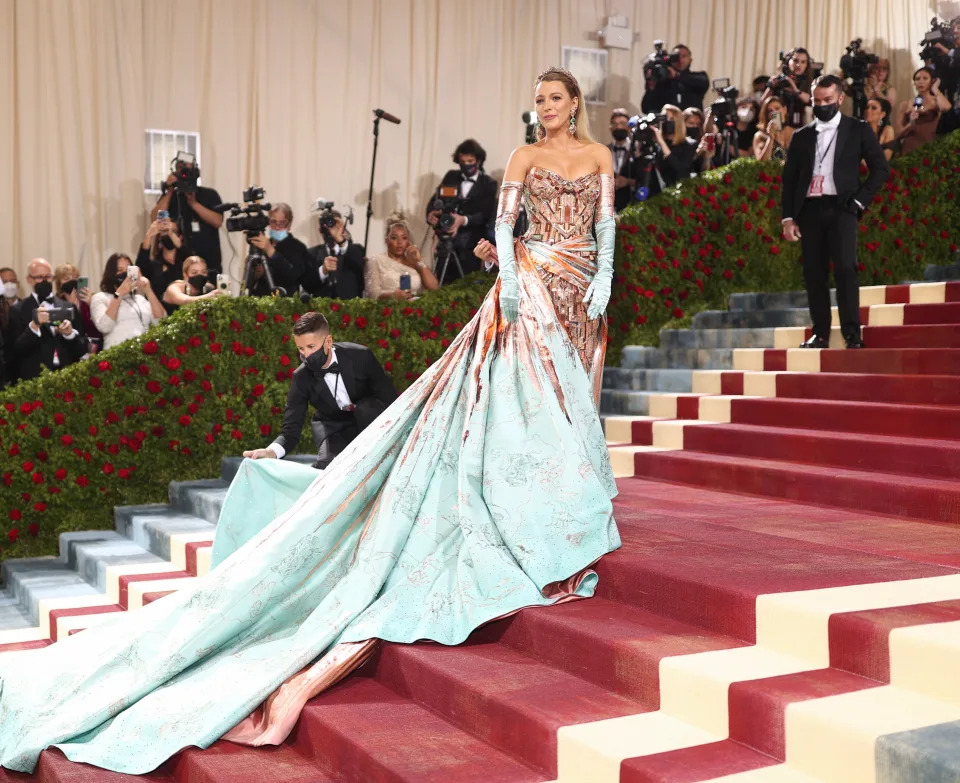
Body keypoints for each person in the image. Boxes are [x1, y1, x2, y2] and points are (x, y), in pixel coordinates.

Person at [0, 66, 619, 776]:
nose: (541, 108)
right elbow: (505, 229)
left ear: (574, 102)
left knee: (572, 395)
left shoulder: (598, 156)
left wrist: (601, 275)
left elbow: (605, 223)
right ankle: (533, 501)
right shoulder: (524, 157)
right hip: (533, 283)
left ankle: (565, 489)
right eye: (535, 98)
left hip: (581, 286)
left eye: (552, 98)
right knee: (524, 397)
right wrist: (510, 278)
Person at [781, 74, 890, 350]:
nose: (822, 105)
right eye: (817, 101)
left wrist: (859, 202)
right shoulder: (802, 135)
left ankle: (852, 333)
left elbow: (881, 169)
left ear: (840, 99)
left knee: (845, 269)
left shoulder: (858, 129)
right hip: (810, 210)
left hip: (843, 207)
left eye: (828, 100)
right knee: (814, 273)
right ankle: (820, 333)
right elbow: (790, 180)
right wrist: (788, 217)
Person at [242, 312, 397, 470]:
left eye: (311, 347)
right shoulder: (301, 377)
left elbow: (390, 400)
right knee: (327, 467)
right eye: (300, 348)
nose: (306, 355)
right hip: (333, 428)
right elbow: (291, 430)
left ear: (328, 341)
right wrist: (270, 452)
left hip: (370, 420)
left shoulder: (361, 356)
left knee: (367, 409)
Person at [425, 139, 498, 284]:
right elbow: (435, 200)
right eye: (462, 161)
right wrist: (432, 213)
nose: (466, 165)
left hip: (471, 245)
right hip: (446, 242)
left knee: (467, 286)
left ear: (478, 160)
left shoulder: (488, 184)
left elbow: (485, 215)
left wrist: (462, 220)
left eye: (470, 161)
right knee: (442, 284)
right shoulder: (451, 176)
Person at [10, 258, 89, 381]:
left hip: (67, 376)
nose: (45, 281)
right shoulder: (18, 310)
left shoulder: (68, 307)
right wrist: (34, 326)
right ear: (29, 280)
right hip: (35, 379)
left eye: (48, 277)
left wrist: (69, 334)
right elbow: (16, 350)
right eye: (40, 277)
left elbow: (82, 349)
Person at [149, 154, 224, 279]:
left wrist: (193, 203)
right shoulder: (172, 196)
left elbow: (217, 221)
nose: (185, 173)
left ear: (196, 172)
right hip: (178, 265)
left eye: (189, 169)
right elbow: (154, 218)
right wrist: (170, 190)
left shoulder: (210, 194)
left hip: (209, 263)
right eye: (181, 169)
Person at [89, 253, 166, 350]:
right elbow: (104, 326)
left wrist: (148, 290)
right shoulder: (100, 297)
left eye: (128, 270)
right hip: (117, 355)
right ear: (111, 274)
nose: (125, 275)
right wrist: (119, 294)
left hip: (143, 354)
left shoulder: (140, 299)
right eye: (120, 270)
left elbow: (162, 321)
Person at [363, 213, 439, 300]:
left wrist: (419, 261)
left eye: (404, 238)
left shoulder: (414, 262)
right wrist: (393, 296)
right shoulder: (376, 260)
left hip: (416, 308)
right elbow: (371, 294)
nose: (399, 242)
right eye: (394, 238)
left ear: (409, 241)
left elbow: (435, 288)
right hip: (387, 310)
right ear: (386, 240)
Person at [246, 203, 310, 296]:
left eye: (282, 222)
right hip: (260, 301)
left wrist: (270, 251)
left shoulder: (298, 247)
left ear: (289, 224)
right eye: (273, 222)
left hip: (284, 302)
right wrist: (256, 274)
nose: (277, 226)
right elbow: (249, 283)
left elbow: (294, 275)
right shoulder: (262, 244)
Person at [303, 209, 366, 299]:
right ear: (320, 230)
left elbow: (360, 265)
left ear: (342, 226)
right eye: (325, 227)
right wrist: (323, 271)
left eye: (335, 225)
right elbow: (308, 286)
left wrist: (341, 240)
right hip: (321, 309)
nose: (330, 230)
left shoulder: (356, 249)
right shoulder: (311, 254)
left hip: (351, 309)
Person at [137, 217, 192, 315]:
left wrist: (170, 233)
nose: (169, 233)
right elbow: (140, 268)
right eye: (165, 231)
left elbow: (191, 259)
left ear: (180, 237)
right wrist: (148, 236)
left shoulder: (185, 263)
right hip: (158, 316)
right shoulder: (154, 265)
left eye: (173, 231)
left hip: (184, 314)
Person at [896, 67, 951, 154]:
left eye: (925, 78)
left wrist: (935, 89)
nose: (921, 81)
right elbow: (898, 133)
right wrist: (910, 124)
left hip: (929, 147)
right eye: (917, 79)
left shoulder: (936, 102)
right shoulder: (906, 104)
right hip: (909, 147)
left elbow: (946, 107)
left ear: (932, 81)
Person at [641, 43, 709, 112]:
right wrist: (651, 84)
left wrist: (677, 75)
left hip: (690, 120)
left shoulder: (698, 77)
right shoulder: (662, 82)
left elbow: (703, 83)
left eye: (684, 56)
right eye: (676, 57)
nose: (680, 60)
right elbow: (646, 108)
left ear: (690, 59)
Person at [648, 104, 697, 196]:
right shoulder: (659, 145)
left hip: (680, 194)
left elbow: (680, 171)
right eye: (664, 119)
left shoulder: (689, 144)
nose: (666, 122)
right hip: (660, 195)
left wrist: (662, 143)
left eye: (671, 119)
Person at [761, 47, 814, 128]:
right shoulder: (779, 79)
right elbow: (763, 103)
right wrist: (771, 87)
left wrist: (796, 90)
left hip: (797, 125)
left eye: (803, 62)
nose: (798, 65)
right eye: (795, 60)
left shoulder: (807, 82)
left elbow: (810, 101)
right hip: (776, 123)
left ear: (807, 65)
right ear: (788, 61)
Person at [54, 263, 99, 347]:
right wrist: (72, 307)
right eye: (66, 278)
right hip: (69, 348)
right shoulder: (56, 303)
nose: (72, 281)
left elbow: (97, 327)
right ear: (59, 283)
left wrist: (91, 304)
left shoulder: (90, 299)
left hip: (93, 347)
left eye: (75, 277)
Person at [163, 256, 227, 310]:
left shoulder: (208, 288)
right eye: (194, 273)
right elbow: (185, 300)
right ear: (185, 275)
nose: (199, 276)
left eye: (203, 272)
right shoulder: (174, 288)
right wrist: (208, 297)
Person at [608, 108, 636, 212]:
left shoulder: (637, 151)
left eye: (622, 123)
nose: (618, 127)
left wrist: (628, 181)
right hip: (609, 209)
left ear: (629, 127)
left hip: (632, 207)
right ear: (610, 128)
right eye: (615, 124)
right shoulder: (603, 151)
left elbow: (645, 181)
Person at [753, 95, 795, 162]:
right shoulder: (760, 136)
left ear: (784, 110)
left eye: (777, 108)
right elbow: (762, 163)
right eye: (770, 111)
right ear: (766, 115)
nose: (774, 112)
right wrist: (770, 138)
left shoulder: (794, 132)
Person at [865, 59, 897, 126]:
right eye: (877, 68)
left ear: (887, 72)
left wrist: (877, 90)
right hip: (865, 123)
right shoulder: (865, 87)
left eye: (884, 69)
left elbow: (890, 106)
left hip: (882, 125)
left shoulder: (890, 89)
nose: (880, 71)